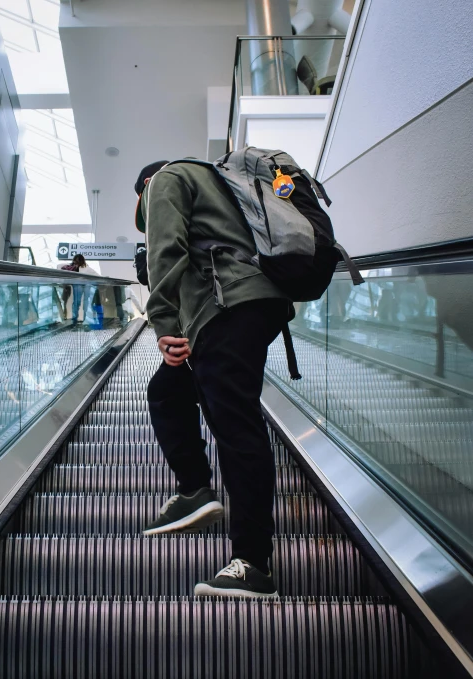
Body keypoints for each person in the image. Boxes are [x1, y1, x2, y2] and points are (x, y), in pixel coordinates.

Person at [136, 158, 293, 598]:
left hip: (228, 307)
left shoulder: (166, 179)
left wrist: (164, 322)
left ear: (144, 187)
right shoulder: (218, 183)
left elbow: (165, 248)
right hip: (248, 304)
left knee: (236, 425)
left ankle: (254, 564)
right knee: (168, 389)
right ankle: (196, 490)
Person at [61, 254, 98, 326]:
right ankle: (75, 319)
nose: (76, 262)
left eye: (78, 261)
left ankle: (84, 319)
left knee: (85, 302)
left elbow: (96, 275)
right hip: (78, 285)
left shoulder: (87, 268)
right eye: (75, 260)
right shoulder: (72, 267)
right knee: (77, 302)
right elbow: (61, 267)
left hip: (84, 285)